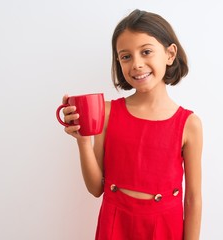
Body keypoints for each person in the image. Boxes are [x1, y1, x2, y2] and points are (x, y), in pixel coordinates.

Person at [61, 9, 203, 240]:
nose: (136, 64)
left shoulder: (189, 124)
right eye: (126, 56)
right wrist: (83, 141)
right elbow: (96, 187)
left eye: (146, 51)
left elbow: (193, 199)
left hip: (166, 227)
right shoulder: (107, 112)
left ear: (170, 54)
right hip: (114, 224)